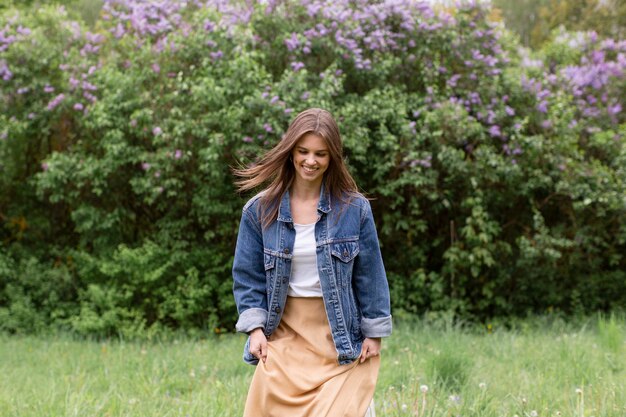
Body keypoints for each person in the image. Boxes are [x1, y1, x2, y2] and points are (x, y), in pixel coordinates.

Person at [232, 108, 392, 417]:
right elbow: (247, 278)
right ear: (290, 150)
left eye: (320, 153)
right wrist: (254, 330)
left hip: (339, 338)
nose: (310, 160)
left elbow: (370, 275)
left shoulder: (354, 209)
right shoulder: (258, 211)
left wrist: (374, 331)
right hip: (286, 338)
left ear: (332, 157)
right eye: (303, 151)